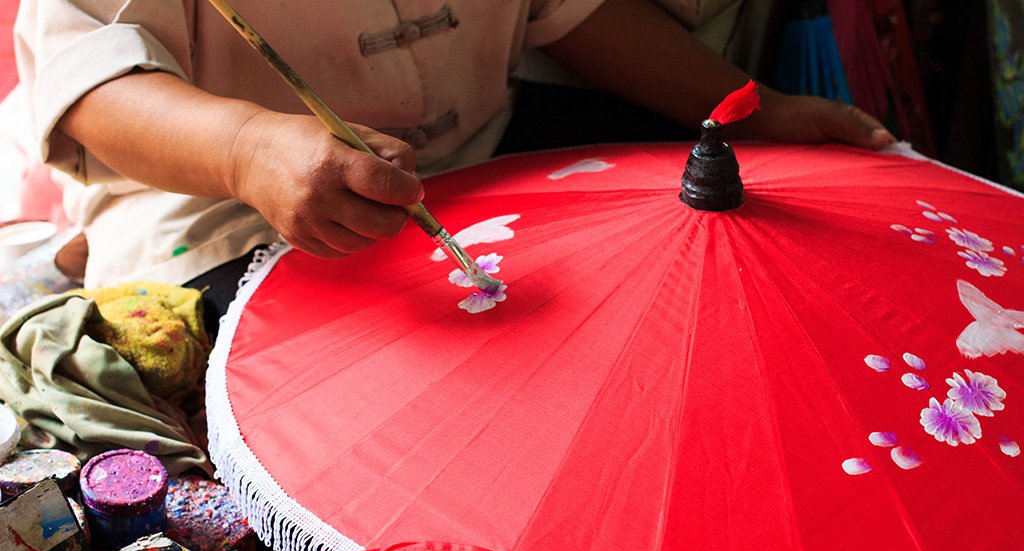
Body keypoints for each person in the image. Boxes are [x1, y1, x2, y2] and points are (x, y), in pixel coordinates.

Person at [14, 0, 894, 324]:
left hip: (469, 176)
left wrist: (758, 108)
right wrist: (247, 150)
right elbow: (84, 75)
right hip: (214, 214)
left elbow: (570, 11)